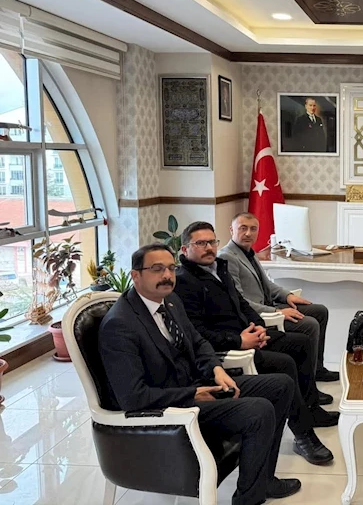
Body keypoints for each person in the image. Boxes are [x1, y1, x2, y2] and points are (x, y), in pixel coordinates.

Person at [98, 244, 301, 503]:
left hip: (194, 384)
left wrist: (216, 369)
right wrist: (192, 394)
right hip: (170, 405)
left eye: (171, 268)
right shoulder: (120, 325)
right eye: (157, 269)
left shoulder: (170, 301)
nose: (167, 276)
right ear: (135, 275)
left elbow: (198, 342)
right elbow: (133, 397)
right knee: (258, 410)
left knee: (281, 385)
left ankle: (263, 482)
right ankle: (249, 499)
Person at [173, 221, 337, 466]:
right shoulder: (184, 282)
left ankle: (310, 408)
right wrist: (240, 340)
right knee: (285, 364)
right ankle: (304, 436)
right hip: (227, 347)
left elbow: (242, 304)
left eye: (212, 242)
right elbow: (197, 332)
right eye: (201, 243)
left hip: (249, 335)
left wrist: (259, 326)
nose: (209, 248)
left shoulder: (219, 267)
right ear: (185, 249)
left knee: (301, 343)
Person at [218, 211, 339, 387]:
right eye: (243, 228)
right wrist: (277, 312)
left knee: (319, 311)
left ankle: (317, 369)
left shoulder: (249, 252)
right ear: (231, 230)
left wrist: (287, 295)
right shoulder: (227, 256)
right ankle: (308, 382)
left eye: (253, 229)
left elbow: (267, 284)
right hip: (258, 314)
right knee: (309, 324)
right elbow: (239, 300)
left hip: (270, 304)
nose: (248, 233)